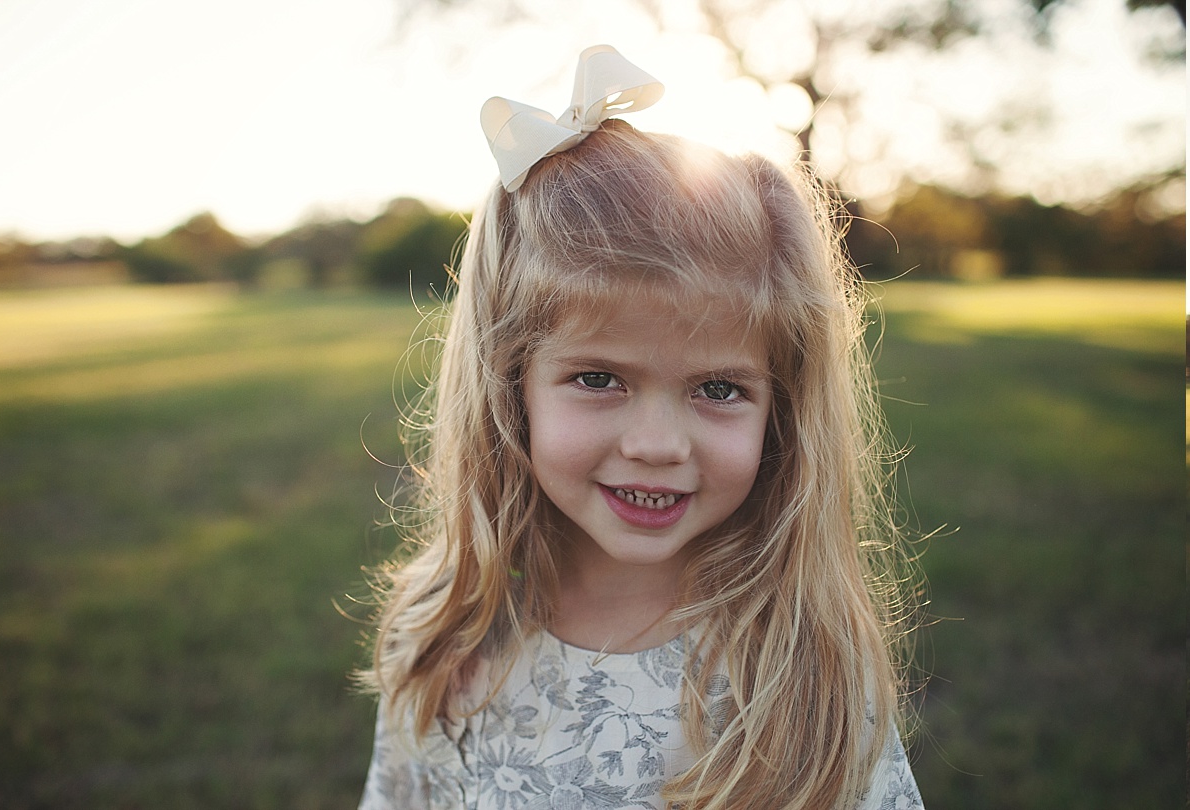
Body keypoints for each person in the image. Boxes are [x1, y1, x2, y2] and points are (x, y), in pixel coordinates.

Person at [356, 46, 921, 810]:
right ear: (509, 388)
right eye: (599, 380)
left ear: (781, 410)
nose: (656, 445)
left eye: (718, 388)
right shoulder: (447, 643)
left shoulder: (805, 672)